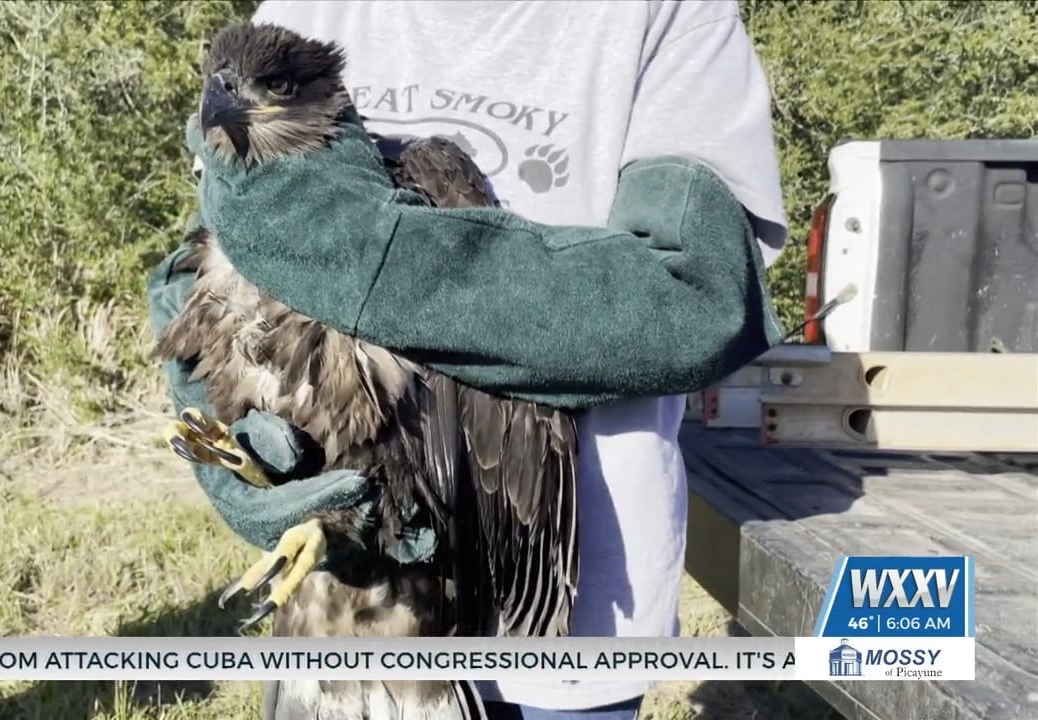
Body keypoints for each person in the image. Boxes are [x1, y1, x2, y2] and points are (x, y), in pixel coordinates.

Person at [152, 1, 787, 718]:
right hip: (347, 614)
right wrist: (227, 434)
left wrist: (378, 258)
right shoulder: (307, 10)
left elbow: (695, 299)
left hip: (568, 611)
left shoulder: (666, 14)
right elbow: (216, 258)